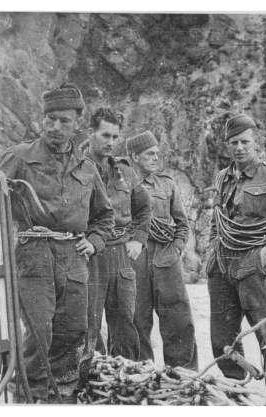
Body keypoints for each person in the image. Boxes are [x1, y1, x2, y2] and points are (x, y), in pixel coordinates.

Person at [0, 84, 114, 402]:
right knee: (40, 331)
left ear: (78, 123)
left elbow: (105, 216)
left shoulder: (87, 167)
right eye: (49, 119)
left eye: (63, 121)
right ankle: (28, 396)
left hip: (74, 257)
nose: (54, 127)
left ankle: (57, 399)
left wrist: (94, 241)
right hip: (34, 254)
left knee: (72, 331)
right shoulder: (20, 157)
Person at [207, 114, 266, 405]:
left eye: (245, 142)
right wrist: (212, 250)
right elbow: (216, 219)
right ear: (227, 145)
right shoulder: (222, 177)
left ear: (255, 142)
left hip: (254, 265)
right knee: (222, 338)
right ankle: (237, 396)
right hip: (222, 265)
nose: (239, 148)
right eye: (234, 143)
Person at [82, 108, 151, 360]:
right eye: (105, 135)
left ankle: (125, 384)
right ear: (91, 133)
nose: (110, 142)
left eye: (115, 137)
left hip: (121, 255)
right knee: (87, 324)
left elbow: (144, 209)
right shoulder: (77, 169)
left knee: (124, 325)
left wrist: (138, 239)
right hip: (89, 255)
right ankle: (90, 381)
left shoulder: (125, 171)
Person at [127, 131, 198, 370]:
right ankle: (139, 376)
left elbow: (182, 224)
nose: (156, 158)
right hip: (134, 260)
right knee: (136, 320)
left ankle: (184, 378)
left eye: (157, 153)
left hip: (166, 260)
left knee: (178, 319)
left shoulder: (166, 184)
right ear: (135, 157)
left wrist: (176, 249)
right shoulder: (122, 184)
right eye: (149, 154)